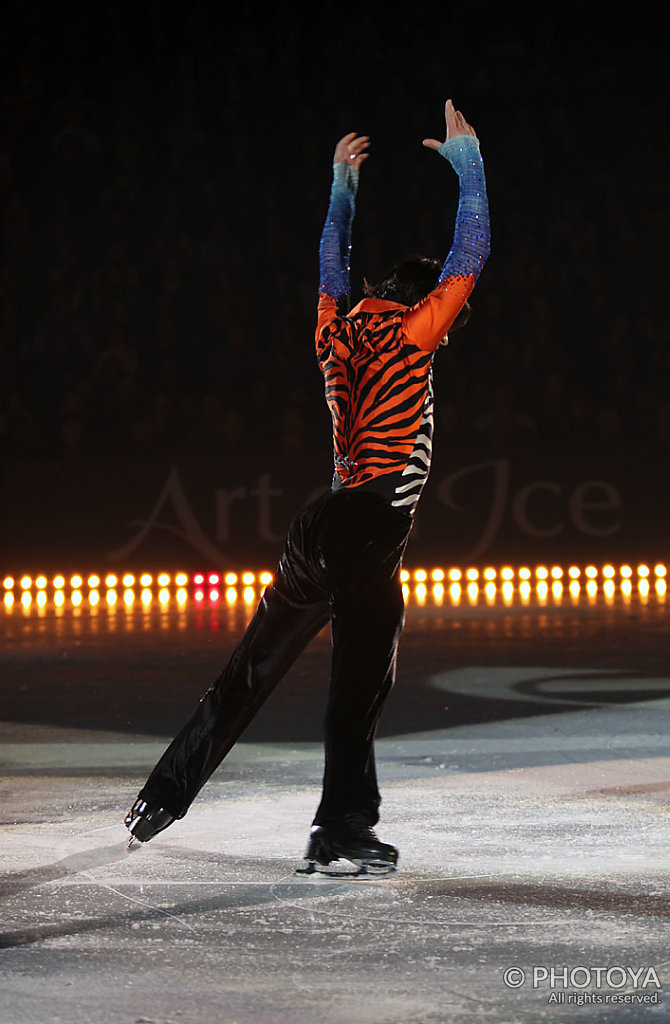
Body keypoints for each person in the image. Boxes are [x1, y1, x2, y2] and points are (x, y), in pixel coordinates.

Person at [124, 99, 490, 874]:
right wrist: (471, 170)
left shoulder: (335, 326)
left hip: (314, 525)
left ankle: (161, 795)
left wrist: (341, 191)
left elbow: (329, 263)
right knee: (361, 682)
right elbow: (471, 257)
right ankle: (342, 828)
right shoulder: (416, 330)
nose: (448, 333)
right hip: (364, 529)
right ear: (430, 309)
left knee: (248, 670)